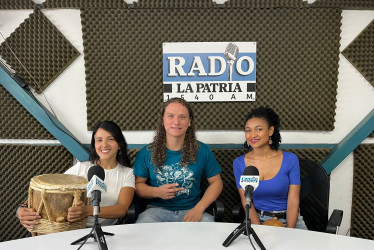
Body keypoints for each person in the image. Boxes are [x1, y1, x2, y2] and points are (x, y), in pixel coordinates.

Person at [17, 120, 135, 229]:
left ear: (119, 144)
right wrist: (21, 209)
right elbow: (50, 191)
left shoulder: (127, 174)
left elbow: (121, 209)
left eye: (111, 139)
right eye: (99, 140)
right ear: (94, 144)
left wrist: (88, 211)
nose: (104, 145)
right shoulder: (80, 168)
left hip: (107, 231)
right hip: (72, 229)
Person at [134, 97, 223, 223]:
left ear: (189, 121)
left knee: (212, 236)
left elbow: (216, 183)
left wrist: (199, 209)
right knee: (141, 236)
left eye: (182, 117)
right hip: (156, 211)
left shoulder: (202, 150)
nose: (176, 122)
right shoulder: (146, 152)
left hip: (193, 210)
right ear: (162, 120)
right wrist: (157, 192)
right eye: (170, 116)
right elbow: (138, 186)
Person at [233, 106, 307, 229]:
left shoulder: (290, 159)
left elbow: (293, 201)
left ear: (271, 131)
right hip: (259, 221)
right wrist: (258, 229)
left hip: (291, 221)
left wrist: (290, 230)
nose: (253, 135)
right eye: (248, 130)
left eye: (259, 129)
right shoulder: (239, 163)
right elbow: (246, 201)